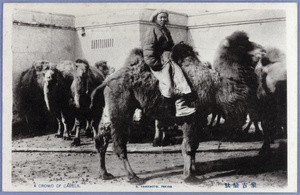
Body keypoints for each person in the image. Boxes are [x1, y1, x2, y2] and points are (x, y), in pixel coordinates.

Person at [143, 9, 196, 117]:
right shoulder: (152, 30)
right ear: (155, 18)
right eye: (160, 17)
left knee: (180, 74)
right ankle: (180, 106)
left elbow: (170, 46)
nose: (163, 19)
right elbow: (148, 48)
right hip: (159, 61)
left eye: (164, 17)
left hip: (168, 58)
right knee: (175, 77)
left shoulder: (166, 31)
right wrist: (154, 63)